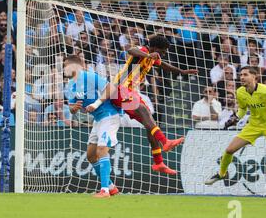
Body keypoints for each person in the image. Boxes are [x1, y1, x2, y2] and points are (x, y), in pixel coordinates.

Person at [88, 35, 197, 174]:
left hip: (129, 92)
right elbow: (131, 50)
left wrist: (181, 71)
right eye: (162, 52)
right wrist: (148, 54)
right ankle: (165, 141)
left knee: (149, 121)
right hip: (119, 89)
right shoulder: (142, 50)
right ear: (155, 48)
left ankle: (158, 162)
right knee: (143, 110)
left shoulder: (153, 58)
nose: (162, 55)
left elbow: (163, 65)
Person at [205, 66, 266, 197]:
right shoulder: (240, 92)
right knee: (229, 150)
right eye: (241, 75)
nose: (242, 77)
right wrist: (234, 118)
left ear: (254, 77)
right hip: (254, 125)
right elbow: (242, 109)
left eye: (245, 75)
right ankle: (222, 174)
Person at [64, 54, 120, 198]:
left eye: (65, 65)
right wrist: (74, 108)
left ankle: (105, 191)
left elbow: (111, 89)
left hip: (109, 115)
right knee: (91, 155)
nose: (63, 69)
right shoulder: (70, 85)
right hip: (97, 120)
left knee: (102, 149)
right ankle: (112, 187)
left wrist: (96, 104)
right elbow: (71, 107)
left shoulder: (89, 76)